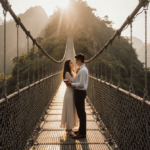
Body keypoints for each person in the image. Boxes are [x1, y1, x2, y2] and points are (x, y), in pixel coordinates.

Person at [66, 53, 89, 139]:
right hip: (75, 92)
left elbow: (81, 84)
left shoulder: (82, 70)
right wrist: (66, 81)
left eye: (75, 61)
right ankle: (80, 130)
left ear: (79, 60)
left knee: (81, 113)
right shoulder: (73, 71)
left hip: (79, 92)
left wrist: (71, 84)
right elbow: (64, 78)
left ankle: (82, 133)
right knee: (80, 113)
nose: (74, 63)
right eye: (71, 62)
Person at [60, 59, 79, 135]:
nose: (73, 64)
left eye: (73, 62)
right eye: (71, 63)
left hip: (73, 93)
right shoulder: (67, 73)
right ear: (68, 65)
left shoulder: (73, 72)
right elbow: (68, 82)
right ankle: (69, 129)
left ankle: (70, 128)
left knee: (72, 110)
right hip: (69, 93)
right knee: (70, 110)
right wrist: (74, 83)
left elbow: (71, 82)